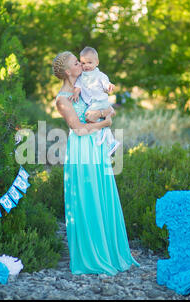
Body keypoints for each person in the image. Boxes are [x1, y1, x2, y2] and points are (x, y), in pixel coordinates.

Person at [53, 51, 140, 276]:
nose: (81, 64)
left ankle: (109, 251)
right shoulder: (62, 99)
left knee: (102, 196)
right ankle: (91, 255)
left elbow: (108, 108)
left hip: (97, 148)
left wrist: (102, 114)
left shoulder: (87, 84)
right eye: (76, 62)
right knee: (87, 197)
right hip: (81, 150)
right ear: (66, 71)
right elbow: (79, 129)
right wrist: (104, 123)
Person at [69, 47, 121, 157]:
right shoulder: (81, 77)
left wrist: (109, 87)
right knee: (96, 119)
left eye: (89, 62)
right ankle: (109, 140)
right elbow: (77, 87)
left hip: (100, 101)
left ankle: (107, 138)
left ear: (97, 62)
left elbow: (106, 85)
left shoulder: (100, 75)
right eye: (83, 63)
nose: (86, 66)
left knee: (89, 116)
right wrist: (75, 93)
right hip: (93, 104)